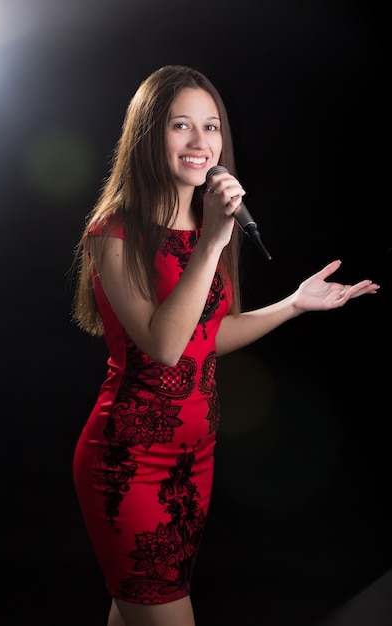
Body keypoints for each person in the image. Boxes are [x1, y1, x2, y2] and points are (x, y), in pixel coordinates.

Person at [70, 64, 380, 626]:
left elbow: (206, 338)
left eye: (211, 127)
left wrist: (292, 304)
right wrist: (213, 239)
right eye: (180, 126)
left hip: (194, 462)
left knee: (135, 613)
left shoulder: (206, 221)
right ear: (147, 137)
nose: (200, 142)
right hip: (129, 465)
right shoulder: (113, 231)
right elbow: (165, 346)